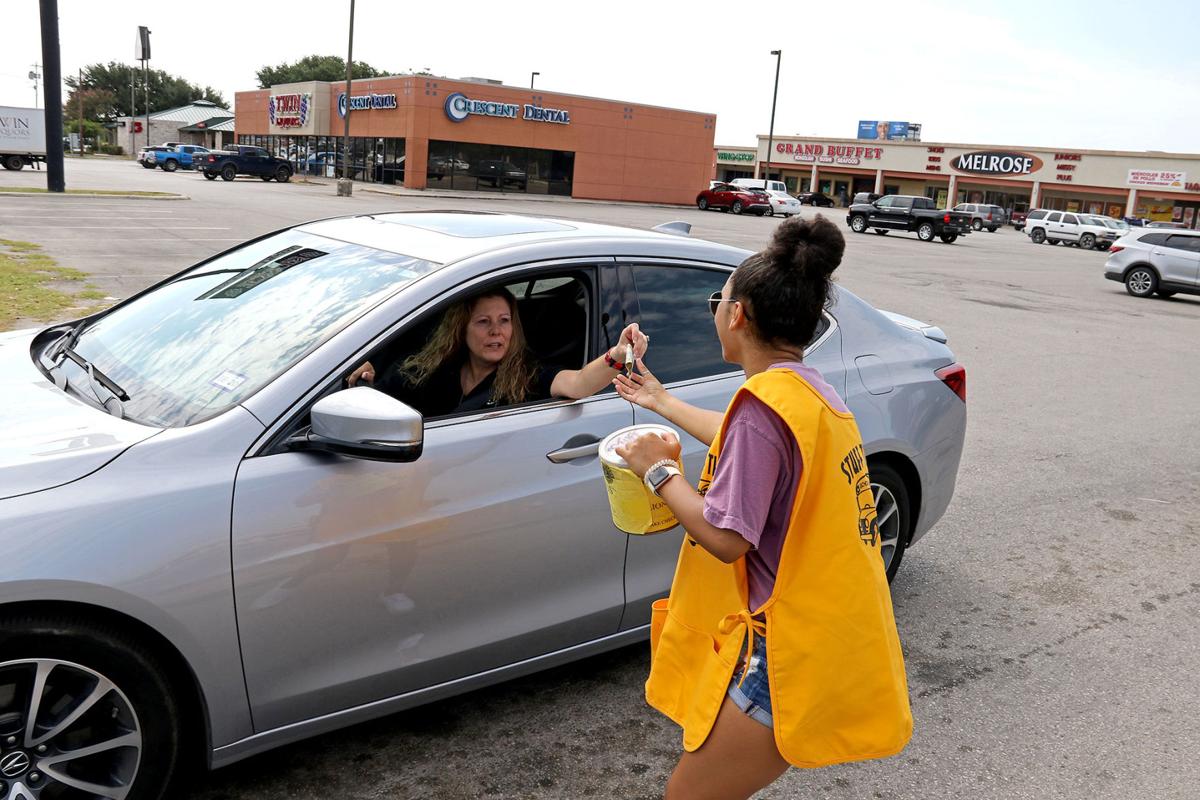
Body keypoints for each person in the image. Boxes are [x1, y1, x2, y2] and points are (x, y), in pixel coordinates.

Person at [613, 216, 911, 800]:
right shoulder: (808, 393)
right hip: (824, 637)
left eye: (716, 301)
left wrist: (658, 471)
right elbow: (744, 440)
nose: (716, 311)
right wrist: (660, 401)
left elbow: (726, 539)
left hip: (783, 652)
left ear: (739, 314)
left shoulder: (762, 406)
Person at [348, 286, 647, 416]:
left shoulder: (526, 375)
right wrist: (367, 373)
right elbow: (382, 397)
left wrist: (617, 356)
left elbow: (579, 383)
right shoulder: (435, 370)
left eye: (504, 321)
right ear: (461, 330)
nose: (496, 331)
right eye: (483, 322)